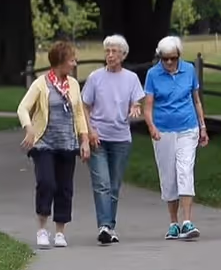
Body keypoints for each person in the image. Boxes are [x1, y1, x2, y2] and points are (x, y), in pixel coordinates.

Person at [17, 40, 90, 248]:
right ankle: (42, 229)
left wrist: (84, 140)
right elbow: (22, 108)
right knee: (47, 183)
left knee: (65, 188)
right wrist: (29, 127)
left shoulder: (73, 85)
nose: (74, 64)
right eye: (71, 60)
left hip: (67, 143)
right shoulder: (41, 84)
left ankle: (60, 232)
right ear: (60, 62)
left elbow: (78, 114)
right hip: (43, 144)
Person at [143, 36, 209, 240]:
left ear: (179, 56)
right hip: (163, 131)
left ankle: (188, 221)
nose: (169, 63)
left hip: (188, 128)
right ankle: (173, 223)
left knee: (185, 171)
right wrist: (151, 126)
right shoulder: (153, 74)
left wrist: (202, 126)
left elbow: (196, 100)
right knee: (169, 177)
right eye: (165, 59)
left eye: (173, 58)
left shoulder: (189, 70)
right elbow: (148, 107)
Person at [81, 34, 145, 245]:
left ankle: (110, 226)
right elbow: (84, 107)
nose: (110, 55)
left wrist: (135, 107)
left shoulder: (131, 78)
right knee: (102, 184)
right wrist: (90, 131)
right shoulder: (95, 78)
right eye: (107, 51)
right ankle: (104, 226)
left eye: (114, 51)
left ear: (123, 55)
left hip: (121, 138)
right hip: (98, 137)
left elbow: (137, 102)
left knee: (114, 185)